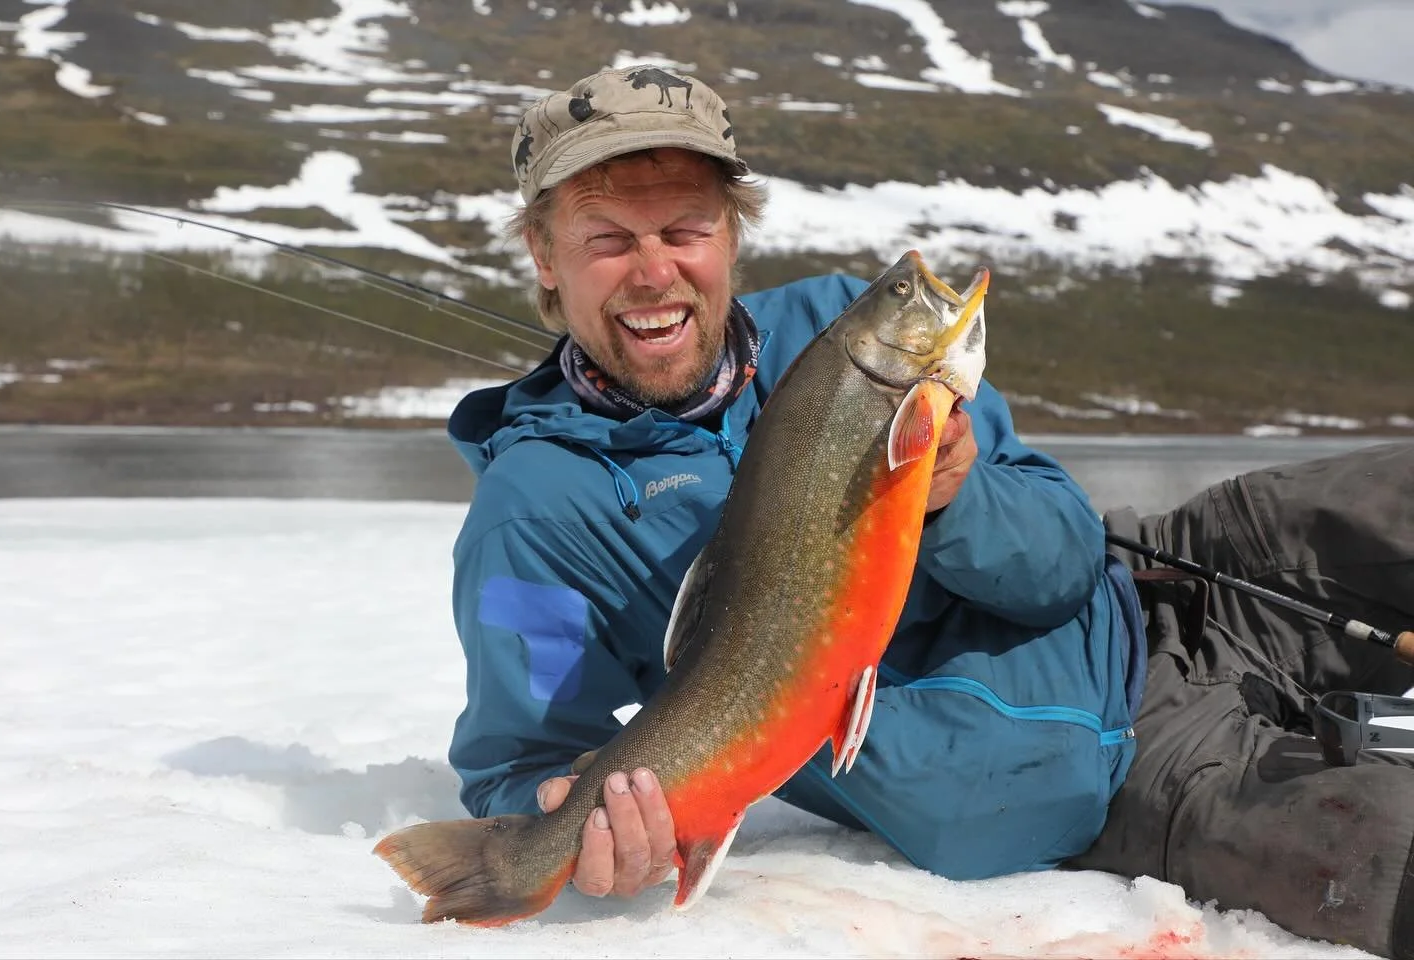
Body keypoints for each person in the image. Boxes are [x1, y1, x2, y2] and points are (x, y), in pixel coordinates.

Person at [445, 65, 1414, 958]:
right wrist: (566, 817)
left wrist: (956, 495)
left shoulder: (849, 335)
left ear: (731, 233)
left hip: (1176, 575)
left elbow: (1061, 562)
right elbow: (517, 756)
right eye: (608, 239)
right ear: (542, 251)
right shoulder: (539, 510)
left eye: (685, 229)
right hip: (1132, 773)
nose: (654, 272)